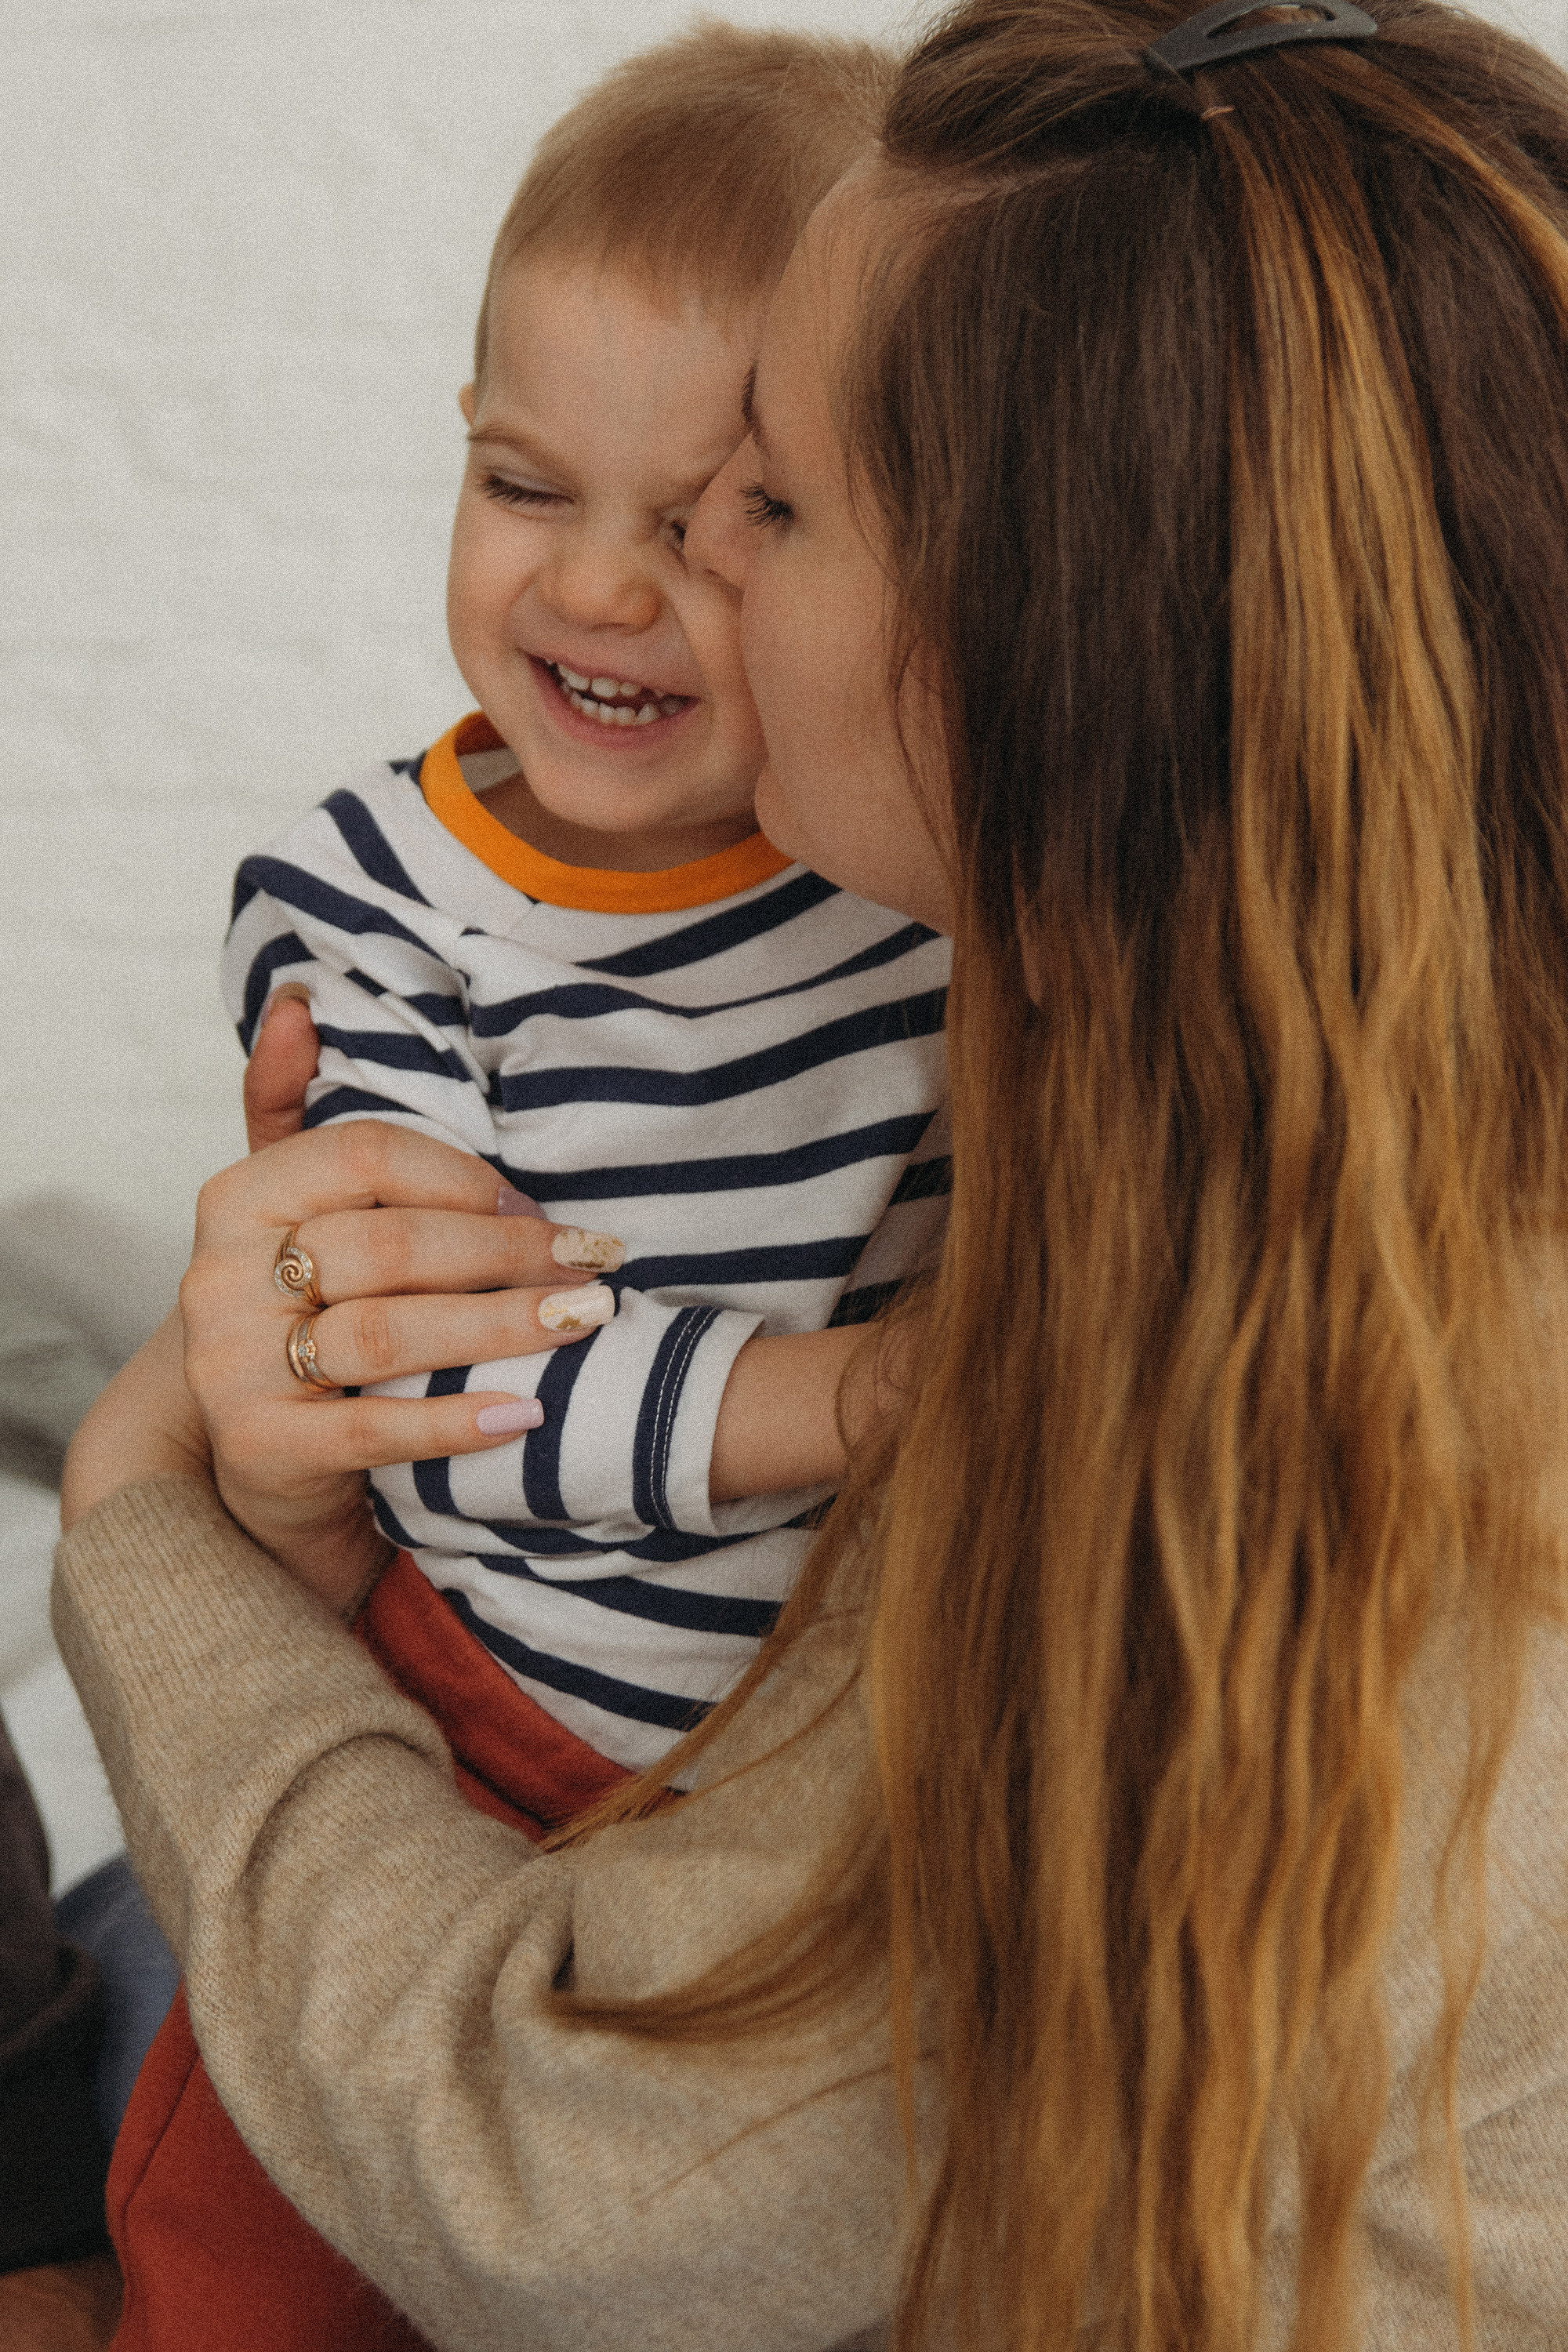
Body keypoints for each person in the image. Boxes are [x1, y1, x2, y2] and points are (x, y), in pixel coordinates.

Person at [52, 0, 1568, 2343]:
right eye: (536, 484)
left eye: (769, 498)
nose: (660, 581)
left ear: (1032, 649)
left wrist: (146, 1503)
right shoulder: (1172, 1036)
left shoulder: (1300, 1436)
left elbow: (560, 2178)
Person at [220, 17, 948, 1777]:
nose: (601, 588)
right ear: (463, 440)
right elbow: (423, 1403)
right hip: (506, 1735)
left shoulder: (915, 875)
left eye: (717, 520)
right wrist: (875, 1396)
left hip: (872, 1731)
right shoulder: (373, 901)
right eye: (524, 487)